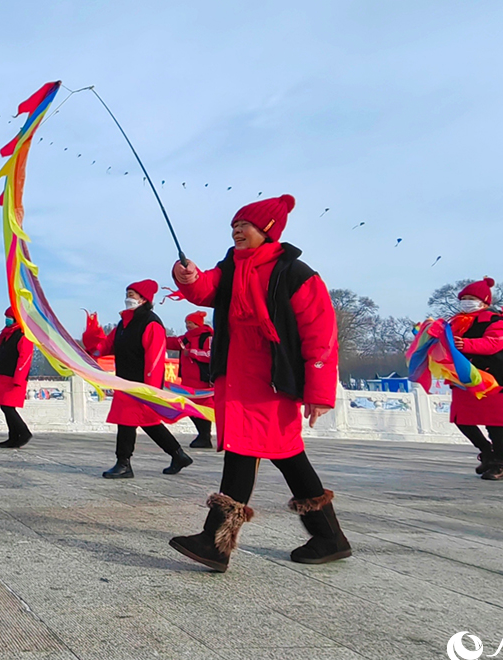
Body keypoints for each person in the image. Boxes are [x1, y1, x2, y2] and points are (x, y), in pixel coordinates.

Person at [167, 194, 349, 572]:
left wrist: (317, 389)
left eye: (245, 225)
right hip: (237, 374)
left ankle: (217, 541)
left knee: (261, 450)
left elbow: (320, 332)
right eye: (234, 225)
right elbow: (205, 289)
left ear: (267, 231)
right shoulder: (230, 266)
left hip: (273, 377)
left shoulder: (295, 273)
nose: (237, 231)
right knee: (271, 451)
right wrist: (187, 276)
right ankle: (327, 536)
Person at [83, 279, 193, 478]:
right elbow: (107, 346)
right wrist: (90, 346)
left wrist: (150, 390)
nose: (128, 297)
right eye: (127, 293)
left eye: (132, 294)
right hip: (125, 383)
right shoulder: (124, 324)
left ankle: (123, 463)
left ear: (144, 298)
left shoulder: (151, 323)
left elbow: (155, 358)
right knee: (146, 422)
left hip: (140, 385)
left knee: (127, 421)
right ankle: (178, 455)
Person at [448, 277, 503, 481]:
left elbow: (493, 343)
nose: (466, 302)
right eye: (464, 298)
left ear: (484, 302)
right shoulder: (456, 322)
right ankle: (487, 453)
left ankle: (502, 465)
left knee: (495, 423)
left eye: (471, 298)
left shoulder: (495, 320)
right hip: (466, 380)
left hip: (495, 379)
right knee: (462, 419)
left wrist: (466, 345)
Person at [0, 307, 34, 448]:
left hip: (15, 377)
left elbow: (24, 359)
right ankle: (13, 437)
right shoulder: (4, 335)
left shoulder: (23, 335)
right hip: (3, 375)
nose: (6, 320)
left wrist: (19, 379)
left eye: (9, 317)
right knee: (5, 406)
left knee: (9, 408)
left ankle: (24, 433)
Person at [167, 311, 215, 449]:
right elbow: (171, 342)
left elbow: (210, 355)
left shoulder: (207, 338)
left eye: (190, 323)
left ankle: (205, 435)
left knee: (202, 408)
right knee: (188, 407)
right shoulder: (185, 339)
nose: (188, 326)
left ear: (197, 324)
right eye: (186, 323)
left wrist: (192, 352)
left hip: (201, 379)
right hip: (187, 380)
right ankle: (203, 435)